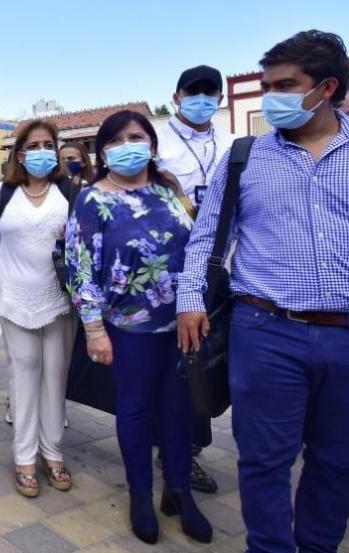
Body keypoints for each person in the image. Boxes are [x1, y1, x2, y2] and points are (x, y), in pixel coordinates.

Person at [177, 31, 349, 553]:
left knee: (339, 459)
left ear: (326, 87)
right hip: (266, 332)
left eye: (285, 85)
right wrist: (190, 298)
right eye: (265, 85)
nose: (269, 97)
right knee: (263, 459)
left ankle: (320, 552)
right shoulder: (245, 157)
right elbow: (208, 237)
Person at [63, 110, 213, 544]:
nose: (129, 145)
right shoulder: (93, 199)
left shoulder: (170, 187)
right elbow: (81, 267)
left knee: (181, 409)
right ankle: (141, 496)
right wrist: (94, 329)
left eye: (138, 136)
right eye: (118, 139)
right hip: (129, 328)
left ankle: (179, 491)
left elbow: (199, 246)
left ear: (151, 143)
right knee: (134, 410)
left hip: (184, 324)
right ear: (104, 150)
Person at [0, 120, 76, 498]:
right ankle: (24, 457)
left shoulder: (69, 191)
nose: (41, 151)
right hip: (14, 297)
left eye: (47, 144)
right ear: (20, 154)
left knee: (56, 374)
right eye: (33, 145)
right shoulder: (2, 193)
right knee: (23, 373)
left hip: (60, 300)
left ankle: (52, 453)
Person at [153, 65, 238, 495]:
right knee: (175, 363)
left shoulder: (234, 143)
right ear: (177, 95)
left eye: (211, 92)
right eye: (194, 91)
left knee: (203, 361)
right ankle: (175, 450)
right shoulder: (157, 142)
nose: (203, 98)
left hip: (220, 269)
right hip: (168, 268)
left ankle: (190, 447)